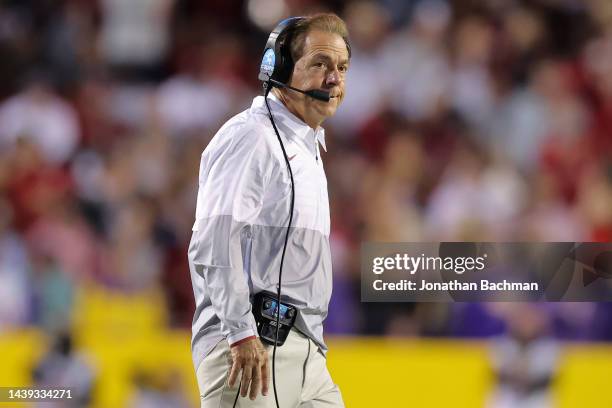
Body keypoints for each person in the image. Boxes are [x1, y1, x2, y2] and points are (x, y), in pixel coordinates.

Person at [187, 13, 350, 408]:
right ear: (277, 68)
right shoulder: (251, 137)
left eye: (342, 68)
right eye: (320, 64)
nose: (334, 79)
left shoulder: (307, 144)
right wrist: (241, 333)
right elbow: (214, 243)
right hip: (253, 347)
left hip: (305, 350)